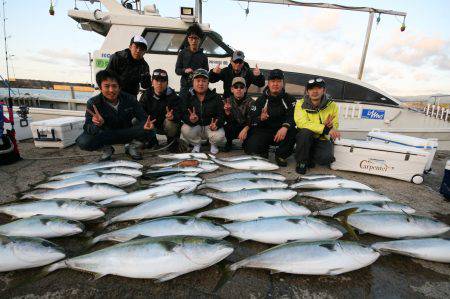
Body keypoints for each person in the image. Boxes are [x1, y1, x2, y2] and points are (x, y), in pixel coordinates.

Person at [76, 70, 156, 161]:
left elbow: (143, 118)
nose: (111, 90)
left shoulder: (130, 99)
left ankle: (132, 147)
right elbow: (87, 126)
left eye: (114, 86)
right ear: (100, 87)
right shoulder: (93, 102)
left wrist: (146, 124)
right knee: (83, 141)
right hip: (106, 134)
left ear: (119, 87)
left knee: (151, 130)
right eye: (107, 86)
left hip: (127, 132)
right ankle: (107, 149)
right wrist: (96, 124)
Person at [244, 69, 297, 166]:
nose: (275, 84)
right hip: (265, 132)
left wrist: (285, 127)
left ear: (283, 84)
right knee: (250, 145)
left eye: (278, 81)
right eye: (273, 81)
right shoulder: (260, 100)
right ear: (268, 83)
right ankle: (263, 152)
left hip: (282, 133)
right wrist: (260, 118)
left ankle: (281, 155)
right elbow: (252, 119)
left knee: (293, 130)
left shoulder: (290, 99)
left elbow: (294, 116)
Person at [293, 77, 341, 174]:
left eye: (318, 88)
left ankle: (310, 157)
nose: (315, 91)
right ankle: (301, 162)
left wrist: (331, 126)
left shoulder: (333, 105)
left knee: (326, 159)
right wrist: (325, 128)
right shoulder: (300, 104)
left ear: (324, 90)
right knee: (305, 132)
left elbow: (335, 124)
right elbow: (301, 122)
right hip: (306, 137)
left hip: (321, 138)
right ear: (307, 92)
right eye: (311, 89)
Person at [181, 69, 225, 154]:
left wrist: (217, 124)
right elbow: (182, 114)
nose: (201, 83)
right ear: (193, 82)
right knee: (185, 129)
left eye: (204, 81)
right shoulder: (187, 96)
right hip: (196, 126)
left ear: (208, 83)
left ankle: (213, 144)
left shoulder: (216, 97)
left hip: (210, 127)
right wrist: (190, 119)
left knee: (220, 135)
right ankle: (197, 144)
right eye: (198, 81)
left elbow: (221, 115)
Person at [139, 69, 182, 152]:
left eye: (163, 81)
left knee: (171, 123)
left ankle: (172, 142)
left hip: (165, 127)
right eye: (157, 80)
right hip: (151, 126)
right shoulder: (146, 94)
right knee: (135, 120)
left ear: (167, 83)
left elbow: (180, 114)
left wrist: (173, 117)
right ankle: (151, 141)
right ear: (152, 82)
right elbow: (139, 111)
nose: (159, 83)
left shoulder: (173, 97)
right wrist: (146, 121)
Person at [175, 24, 209, 100]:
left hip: (198, 89)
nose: (193, 41)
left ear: (199, 40)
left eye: (196, 38)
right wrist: (185, 70)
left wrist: (199, 73)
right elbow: (177, 70)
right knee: (182, 108)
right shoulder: (182, 53)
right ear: (188, 39)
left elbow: (206, 72)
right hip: (184, 88)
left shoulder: (203, 56)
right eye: (191, 38)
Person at [222, 77, 253, 152]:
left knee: (249, 149)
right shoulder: (226, 101)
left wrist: (246, 128)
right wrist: (227, 113)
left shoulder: (251, 102)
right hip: (232, 128)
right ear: (232, 89)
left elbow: (253, 118)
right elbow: (221, 119)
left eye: (241, 87)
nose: (239, 89)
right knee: (226, 124)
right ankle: (229, 142)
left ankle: (246, 143)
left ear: (245, 89)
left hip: (245, 128)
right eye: (236, 87)